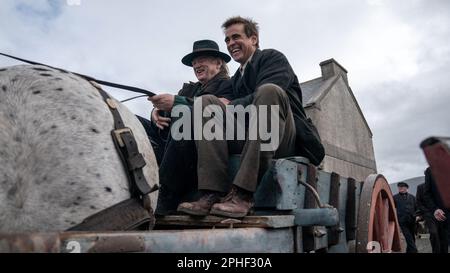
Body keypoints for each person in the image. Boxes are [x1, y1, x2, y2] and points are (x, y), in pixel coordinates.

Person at [177, 16, 324, 218]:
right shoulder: (236, 79)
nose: (230, 43)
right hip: (251, 139)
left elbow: (263, 98)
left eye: (236, 37)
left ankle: (243, 194)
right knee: (206, 102)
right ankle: (211, 192)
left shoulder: (273, 58)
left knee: (269, 91)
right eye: (227, 40)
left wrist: (231, 105)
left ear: (253, 39)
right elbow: (221, 103)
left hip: (283, 138)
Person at [145, 39, 233, 216]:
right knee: (135, 124)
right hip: (172, 141)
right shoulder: (189, 89)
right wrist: (156, 112)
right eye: (194, 62)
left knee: (183, 117)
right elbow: (169, 107)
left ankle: (167, 194)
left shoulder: (229, 85)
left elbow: (213, 108)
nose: (197, 65)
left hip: (202, 145)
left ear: (218, 63)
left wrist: (176, 104)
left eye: (202, 60)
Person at [421, 167, 449, 253]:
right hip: (439, 213)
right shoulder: (431, 170)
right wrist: (434, 209)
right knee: (441, 239)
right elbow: (425, 195)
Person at [393, 182, 418, 253]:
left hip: (412, 220)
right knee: (408, 237)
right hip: (402, 221)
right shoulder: (394, 197)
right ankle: (415, 250)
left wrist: (418, 216)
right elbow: (390, 207)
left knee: (412, 238)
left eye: (402, 187)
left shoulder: (412, 197)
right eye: (399, 187)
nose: (400, 188)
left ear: (406, 188)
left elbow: (417, 208)